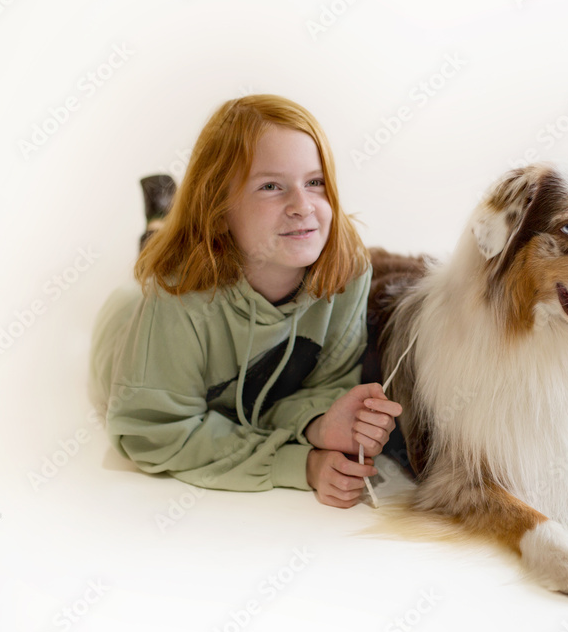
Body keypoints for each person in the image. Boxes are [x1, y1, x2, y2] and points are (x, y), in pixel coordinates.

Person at [88, 94, 402, 509]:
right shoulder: (177, 297)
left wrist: (320, 424)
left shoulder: (348, 272)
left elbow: (315, 389)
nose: (303, 206)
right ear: (219, 208)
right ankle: (160, 223)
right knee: (152, 264)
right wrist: (299, 463)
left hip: (235, 358)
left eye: (315, 182)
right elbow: (157, 433)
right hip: (131, 327)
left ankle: (162, 219)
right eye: (271, 186)